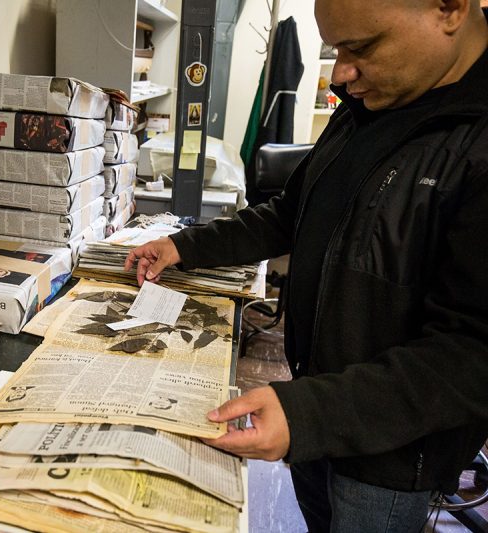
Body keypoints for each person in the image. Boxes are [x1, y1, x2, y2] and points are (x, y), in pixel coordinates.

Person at [124, 0, 488, 530]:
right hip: (314, 400)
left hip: (387, 452)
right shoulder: (370, 100)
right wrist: (188, 246)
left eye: (361, 48)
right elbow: (294, 214)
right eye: (336, 49)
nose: (341, 73)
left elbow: (473, 351)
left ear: (450, 9)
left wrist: (312, 413)